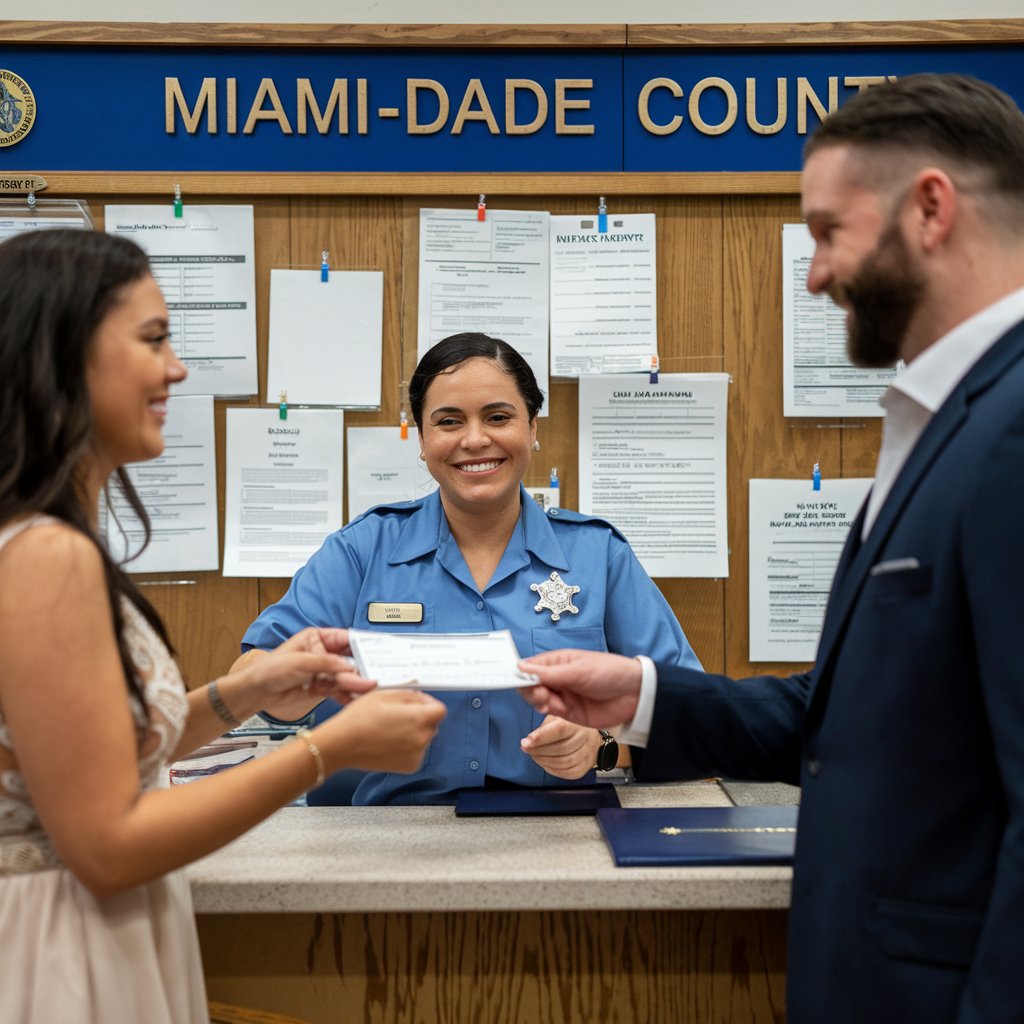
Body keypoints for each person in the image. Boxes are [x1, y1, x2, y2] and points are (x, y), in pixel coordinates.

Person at [518, 73, 1024, 1024]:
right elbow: (853, 717)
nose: (815, 275)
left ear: (930, 208)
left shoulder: (1014, 426)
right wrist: (646, 697)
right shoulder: (954, 415)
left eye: (829, 232)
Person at [0, 228, 446, 1024]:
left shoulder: (43, 541)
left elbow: (99, 758)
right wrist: (328, 748)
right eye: (153, 339)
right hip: (60, 954)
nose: (176, 368)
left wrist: (245, 692)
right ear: (61, 355)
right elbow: (106, 845)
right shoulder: (44, 557)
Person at [237, 332, 702, 804]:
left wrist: (601, 747)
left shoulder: (598, 555)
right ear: (422, 439)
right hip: (395, 836)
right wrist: (299, 677)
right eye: (449, 421)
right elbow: (253, 678)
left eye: (498, 417)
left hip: (561, 834)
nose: (475, 440)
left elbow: (693, 716)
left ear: (532, 429)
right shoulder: (364, 550)